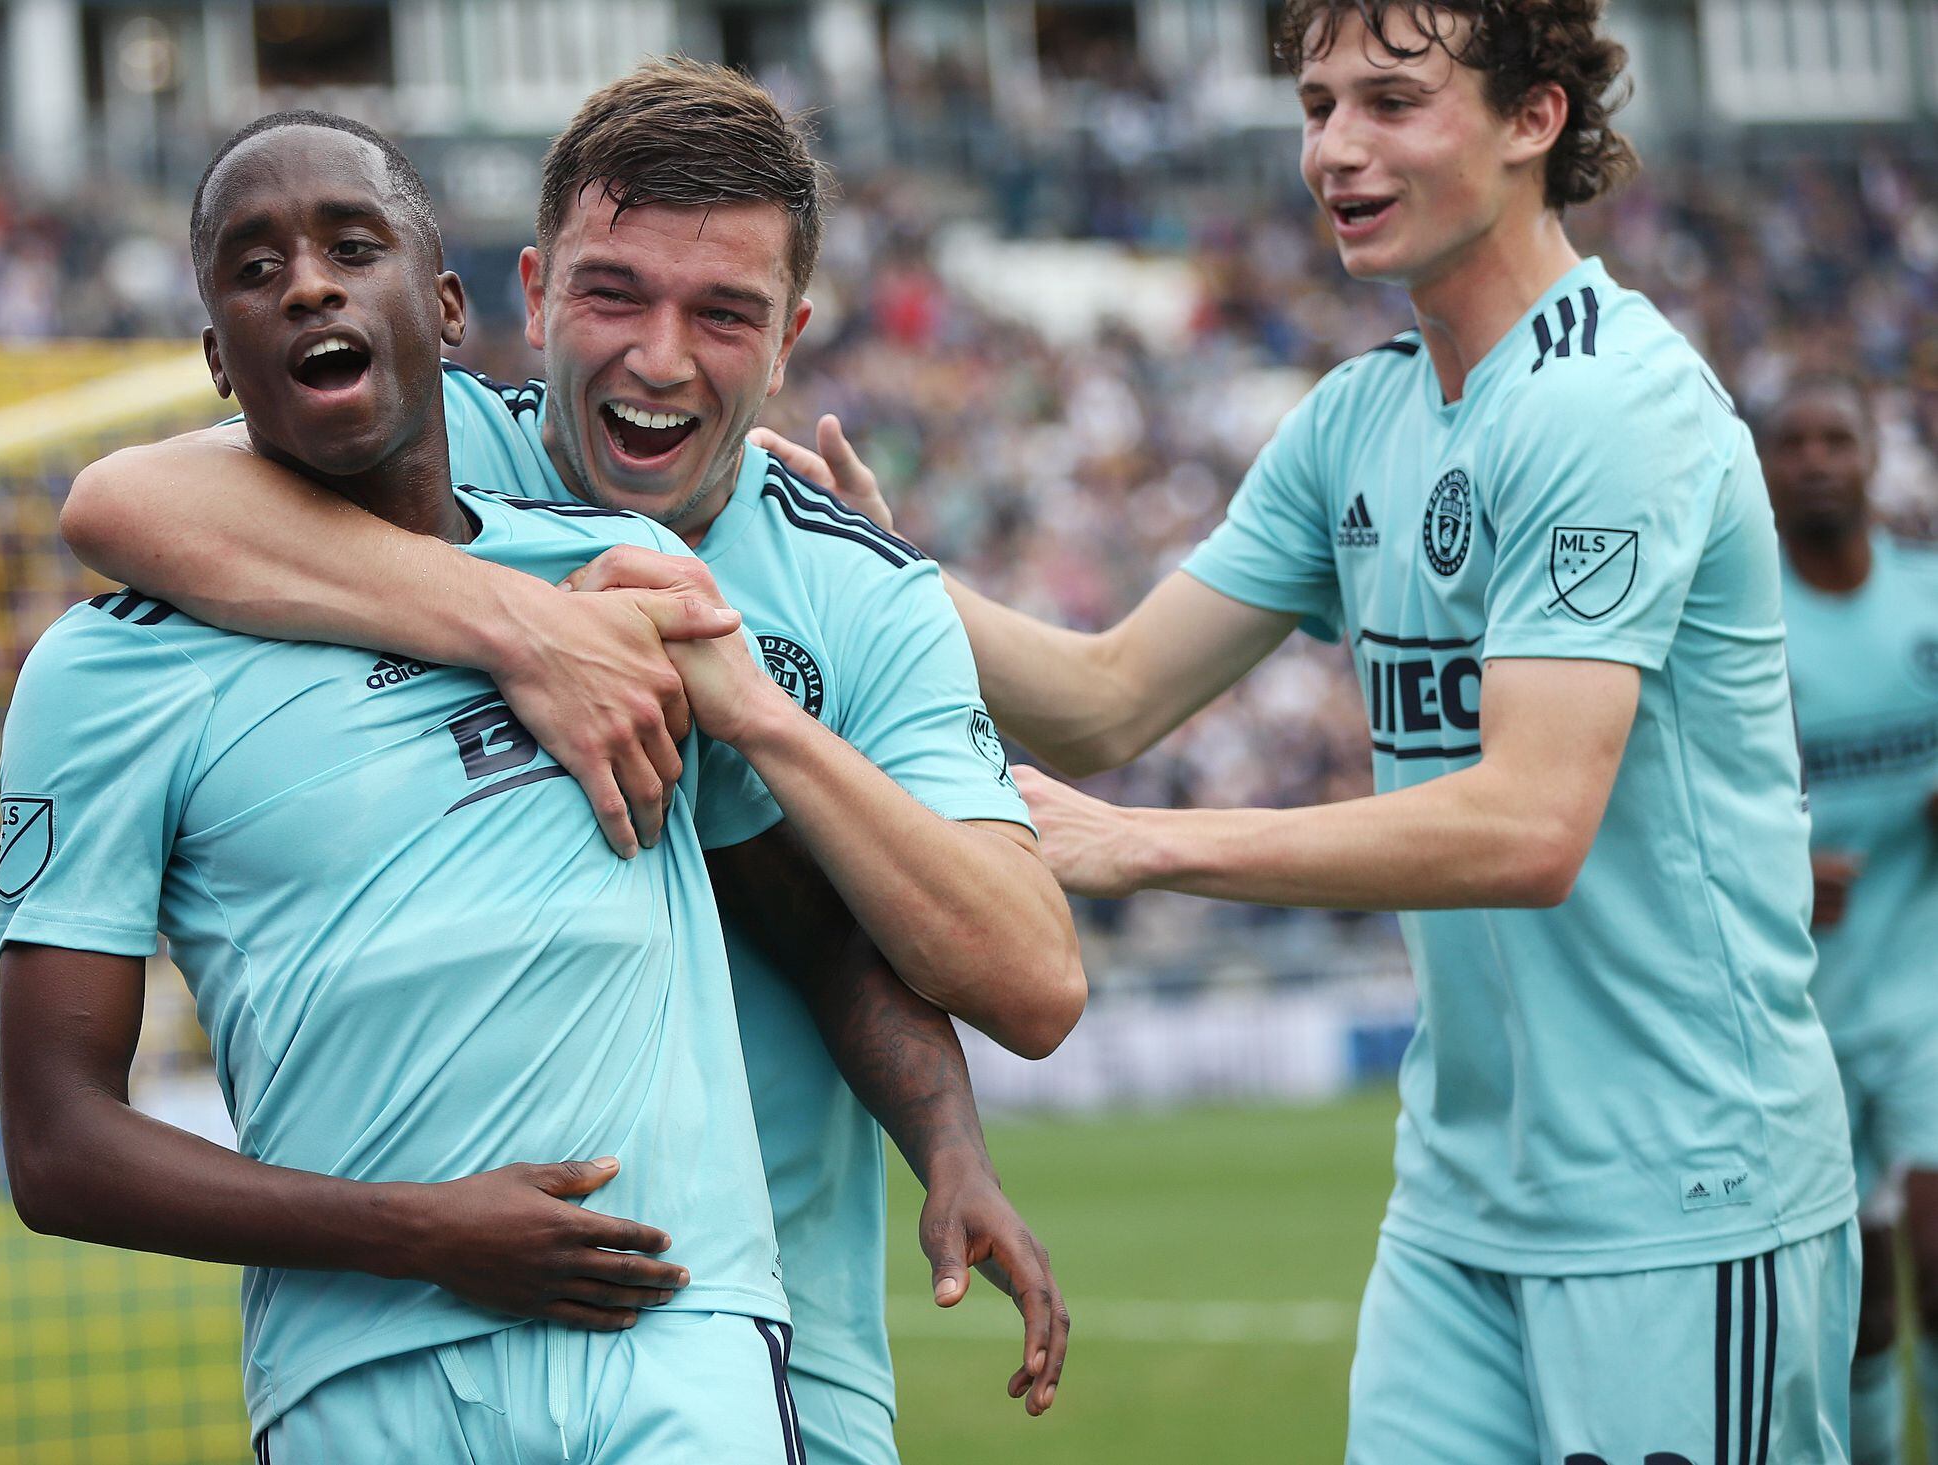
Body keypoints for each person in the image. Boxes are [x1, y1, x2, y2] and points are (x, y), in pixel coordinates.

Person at [760, 2, 1860, 1459]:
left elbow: (1530, 827)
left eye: (1391, 102)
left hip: (1680, 1196)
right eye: (1318, 105)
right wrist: (874, 573)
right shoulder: (1356, 418)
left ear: (1534, 118)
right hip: (1459, 1205)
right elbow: (1105, 695)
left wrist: (1145, 846)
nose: (1335, 147)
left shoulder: (1609, 403)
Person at [0, 113, 1064, 1463]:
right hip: (360, 1360)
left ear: (446, 308)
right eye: (256, 269)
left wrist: (951, 1143)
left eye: (352, 247)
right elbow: (57, 1140)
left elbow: (843, 932)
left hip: (697, 1329)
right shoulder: (116, 665)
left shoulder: (640, 579)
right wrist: (418, 1231)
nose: (311, 286)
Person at [1766, 372, 1938, 1465]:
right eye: (1792, 443)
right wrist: (1777, 866)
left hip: (1925, 989)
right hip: (1801, 1006)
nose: (1817, 460)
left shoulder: (1928, 599)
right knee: (1858, 1310)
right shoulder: (1740, 621)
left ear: (1873, 456)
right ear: (1762, 468)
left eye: (1837, 439)